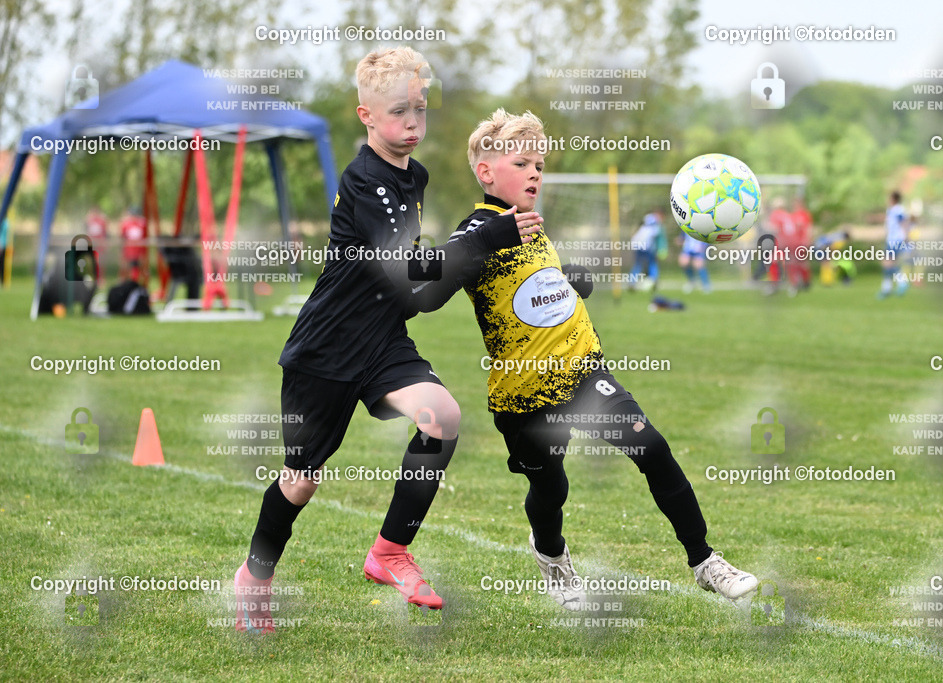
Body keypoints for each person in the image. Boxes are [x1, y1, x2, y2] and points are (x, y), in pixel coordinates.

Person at [233, 48, 541, 633]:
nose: (413, 122)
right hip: (325, 349)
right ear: (366, 116)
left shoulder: (414, 176)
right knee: (300, 482)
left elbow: (418, 294)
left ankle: (389, 551)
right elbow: (411, 278)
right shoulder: (364, 182)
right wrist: (488, 236)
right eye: (398, 111)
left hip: (380, 341)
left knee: (443, 416)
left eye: (420, 109)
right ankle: (255, 578)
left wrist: (478, 249)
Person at [413, 109, 758, 610]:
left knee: (652, 448)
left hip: (581, 372)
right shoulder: (477, 234)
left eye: (540, 164)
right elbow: (427, 296)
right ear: (486, 172)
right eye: (522, 162)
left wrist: (571, 278)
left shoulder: (532, 226)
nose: (535, 172)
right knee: (550, 488)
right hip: (523, 393)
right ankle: (551, 557)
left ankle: (705, 562)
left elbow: (535, 289)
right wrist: (474, 250)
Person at [878, 191, 908, 299]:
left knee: (887, 263)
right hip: (891, 240)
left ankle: (895, 285)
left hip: (896, 240)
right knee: (889, 263)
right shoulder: (891, 210)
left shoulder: (898, 209)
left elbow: (903, 223)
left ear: (893, 199)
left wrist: (905, 237)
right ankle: (891, 286)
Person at [628, 210, 666, 291]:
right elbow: (657, 237)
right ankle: (654, 280)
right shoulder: (655, 226)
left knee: (638, 264)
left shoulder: (645, 224)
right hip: (645, 246)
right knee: (652, 263)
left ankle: (632, 282)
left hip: (637, 245)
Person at [119, 207, 147, 282]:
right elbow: (122, 236)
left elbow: (144, 237)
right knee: (126, 268)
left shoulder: (142, 223)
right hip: (128, 251)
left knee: (136, 268)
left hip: (138, 251)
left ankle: (134, 282)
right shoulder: (126, 223)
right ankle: (126, 282)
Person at [85, 206, 108, 286]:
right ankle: (91, 277)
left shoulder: (101, 221)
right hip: (91, 244)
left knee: (100, 262)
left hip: (100, 245)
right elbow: (86, 230)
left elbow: (105, 233)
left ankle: (100, 279)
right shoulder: (89, 220)